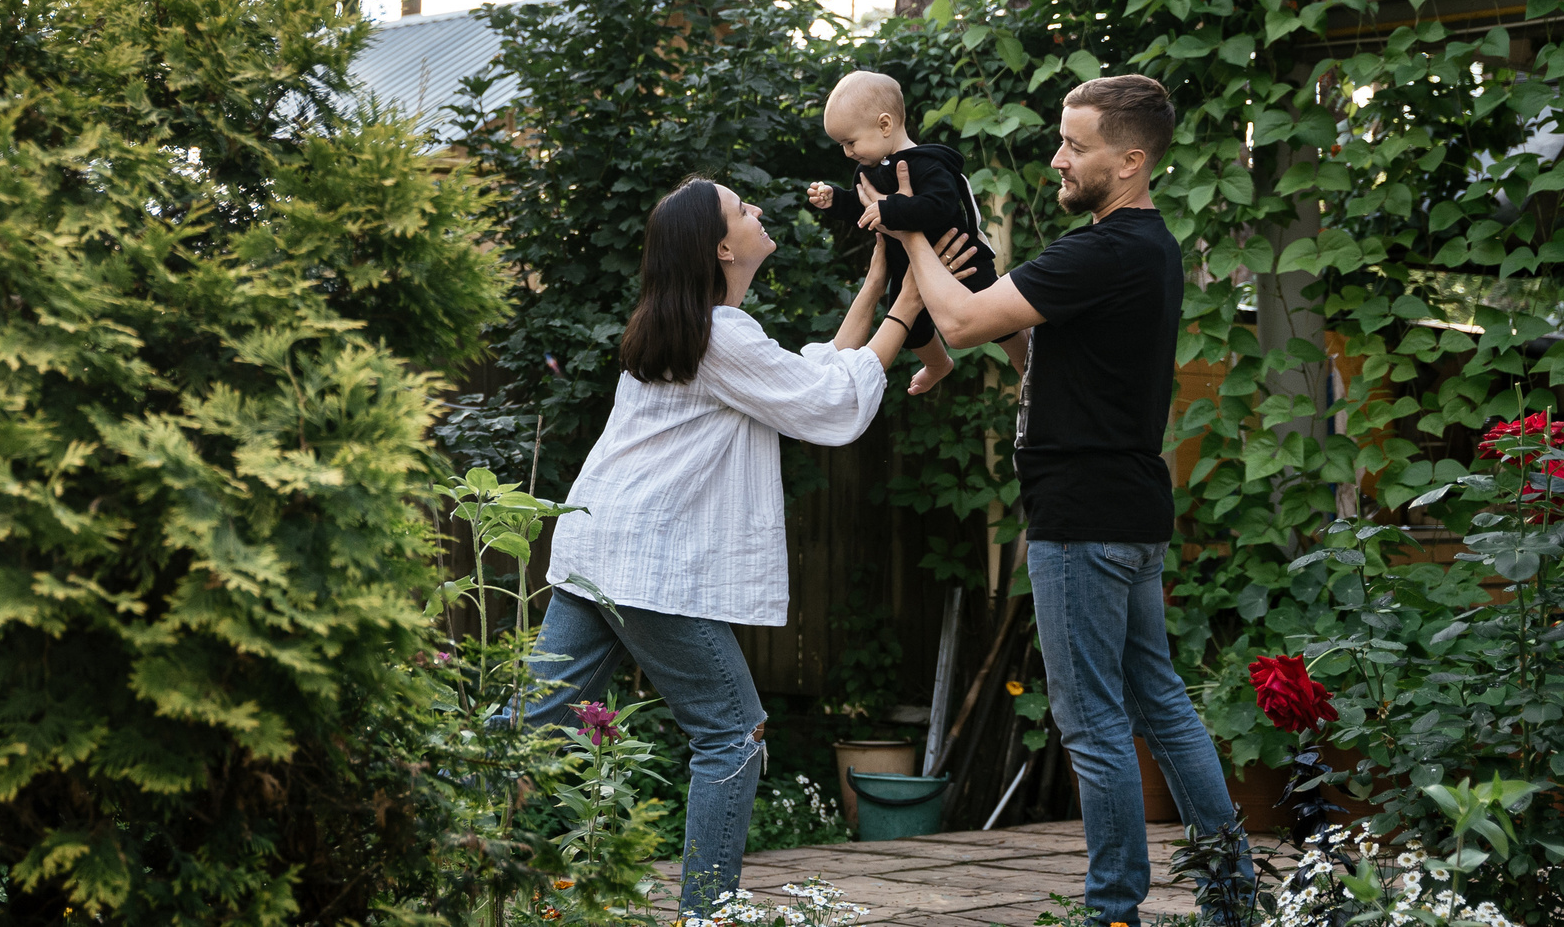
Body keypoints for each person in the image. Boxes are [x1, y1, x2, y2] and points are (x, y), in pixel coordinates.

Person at [523, 175, 978, 922]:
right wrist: (906, 306)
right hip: (645, 567)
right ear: (722, 245)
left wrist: (872, 286)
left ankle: (412, 820)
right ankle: (707, 913)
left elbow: (802, 381)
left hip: (598, 550)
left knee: (526, 727)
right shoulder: (721, 335)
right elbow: (829, 406)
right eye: (743, 207)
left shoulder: (696, 328)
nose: (758, 209)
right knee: (733, 733)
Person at [869, 74, 1253, 927]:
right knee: (1159, 698)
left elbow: (963, 322)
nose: (1057, 158)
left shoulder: (1101, 252)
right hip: (1130, 509)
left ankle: (1112, 909)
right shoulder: (1143, 250)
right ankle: (1232, 896)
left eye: (1075, 145)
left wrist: (919, 230)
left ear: (1130, 159)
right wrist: (973, 291)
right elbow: (1023, 354)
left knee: (1093, 724)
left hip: (1082, 518)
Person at [805, 68, 1019, 396]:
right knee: (909, 328)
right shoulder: (868, 171)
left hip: (961, 255)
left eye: (850, 141)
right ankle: (937, 364)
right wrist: (836, 201)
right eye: (842, 145)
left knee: (994, 318)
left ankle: (1027, 360)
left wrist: (890, 209)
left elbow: (941, 206)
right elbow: (865, 211)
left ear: (885, 124)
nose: (847, 152)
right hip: (908, 265)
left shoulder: (926, 163)